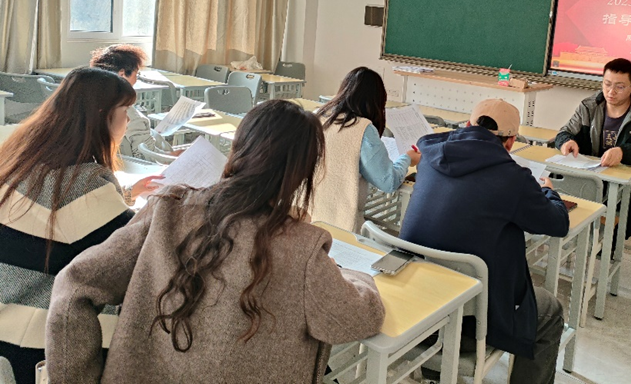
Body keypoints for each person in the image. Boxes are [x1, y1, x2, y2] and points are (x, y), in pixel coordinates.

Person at [46, 100, 385, 384]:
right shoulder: (303, 246)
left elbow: (73, 287)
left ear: (238, 148)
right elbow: (353, 319)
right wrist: (357, 277)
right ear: (302, 172)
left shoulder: (167, 210)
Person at [0, 68, 160, 384]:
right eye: (125, 111)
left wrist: (128, 194)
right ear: (102, 115)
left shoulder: (23, 160)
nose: (129, 120)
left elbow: (63, 220)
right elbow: (137, 250)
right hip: (33, 345)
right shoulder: (81, 183)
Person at [401, 99, 570, 384]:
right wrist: (549, 192)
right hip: (470, 326)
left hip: (412, 306)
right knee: (550, 311)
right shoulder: (513, 178)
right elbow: (558, 224)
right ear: (511, 141)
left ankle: (434, 373)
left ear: (468, 125)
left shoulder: (429, 154)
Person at [554, 58, 631, 238]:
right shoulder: (589, 106)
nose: (611, 92)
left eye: (620, 87)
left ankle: (613, 241)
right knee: (547, 179)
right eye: (607, 84)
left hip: (629, 181)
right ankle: (566, 233)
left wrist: (623, 152)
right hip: (591, 176)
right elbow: (565, 132)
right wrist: (566, 142)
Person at [310, 67, 420, 231]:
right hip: (341, 226)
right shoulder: (362, 129)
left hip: (307, 216)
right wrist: (408, 158)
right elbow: (388, 182)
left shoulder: (317, 116)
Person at [90, 44, 174, 159]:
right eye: (136, 74)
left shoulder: (91, 103)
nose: (136, 79)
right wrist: (175, 156)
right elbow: (148, 156)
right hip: (137, 166)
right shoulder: (126, 113)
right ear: (122, 74)